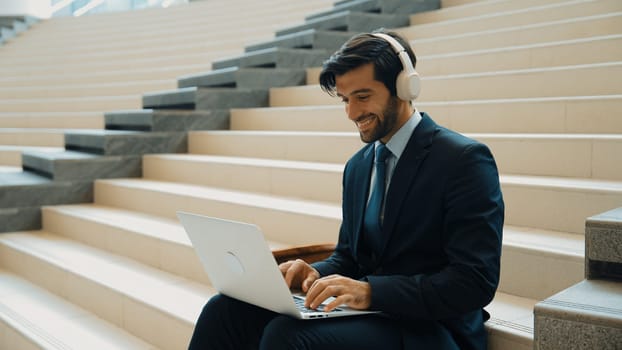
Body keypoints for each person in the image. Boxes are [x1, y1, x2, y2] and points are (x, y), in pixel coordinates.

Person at [188, 29, 504, 350]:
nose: (352, 113)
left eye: (363, 96)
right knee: (224, 311)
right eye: (345, 99)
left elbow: (474, 281)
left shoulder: (463, 160)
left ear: (405, 86)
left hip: (431, 329)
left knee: (287, 337)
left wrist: (371, 292)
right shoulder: (359, 165)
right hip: (373, 317)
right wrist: (313, 273)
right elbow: (349, 256)